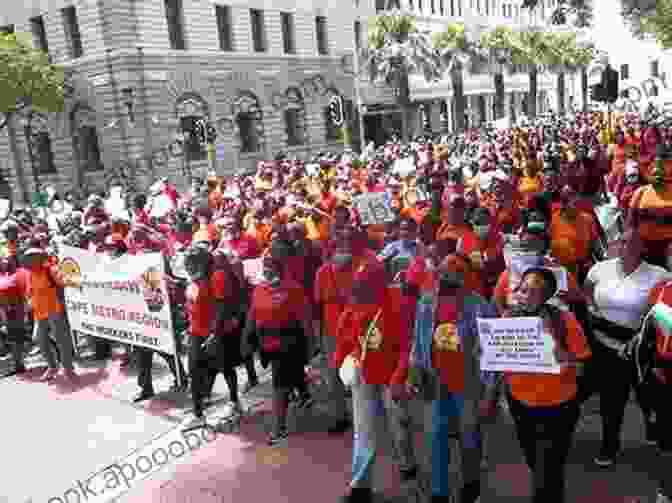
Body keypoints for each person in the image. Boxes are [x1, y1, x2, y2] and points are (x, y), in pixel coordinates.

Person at [408, 253, 497, 503]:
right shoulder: (427, 302)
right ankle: (439, 491)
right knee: (435, 437)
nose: (447, 275)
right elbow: (418, 340)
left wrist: (489, 393)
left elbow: (491, 354)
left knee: (470, 437)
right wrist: (414, 371)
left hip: (469, 384)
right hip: (435, 381)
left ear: (466, 275)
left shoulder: (480, 306)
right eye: (444, 269)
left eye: (455, 270)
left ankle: (471, 486)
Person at [499, 267, 591, 503]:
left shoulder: (564, 320)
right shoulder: (508, 319)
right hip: (521, 404)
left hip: (558, 407)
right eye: (523, 289)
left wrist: (553, 342)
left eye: (535, 291)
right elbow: (498, 361)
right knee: (535, 462)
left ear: (547, 295)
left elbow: (581, 367)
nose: (526, 295)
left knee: (547, 471)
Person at [582, 227, 672, 466]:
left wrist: (639, 338)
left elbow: (661, 312)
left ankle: (658, 434)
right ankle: (609, 447)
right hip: (604, 346)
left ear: (643, 248)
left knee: (649, 396)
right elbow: (587, 291)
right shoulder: (600, 269)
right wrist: (592, 310)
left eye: (632, 243)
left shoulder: (659, 275)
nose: (626, 247)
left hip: (639, 348)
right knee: (612, 399)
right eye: (622, 241)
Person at [242, 246, 313, 444]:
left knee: (279, 386)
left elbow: (306, 319)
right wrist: (247, 340)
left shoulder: (293, 289)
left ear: (280, 268)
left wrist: (311, 345)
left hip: (289, 344)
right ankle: (305, 393)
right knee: (294, 374)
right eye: (265, 267)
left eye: (271, 266)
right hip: (267, 344)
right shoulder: (259, 289)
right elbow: (252, 314)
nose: (267, 270)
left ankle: (278, 428)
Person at [23, 247, 77, 383]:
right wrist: (29, 302)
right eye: (27, 260)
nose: (28, 263)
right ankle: (52, 366)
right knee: (39, 339)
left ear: (39, 260)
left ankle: (68, 368)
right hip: (39, 312)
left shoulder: (51, 271)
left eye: (30, 260)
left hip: (54, 310)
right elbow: (29, 293)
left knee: (61, 340)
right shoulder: (30, 275)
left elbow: (66, 282)